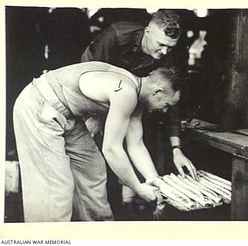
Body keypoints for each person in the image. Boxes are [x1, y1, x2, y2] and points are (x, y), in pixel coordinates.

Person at [13, 61, 182, 222]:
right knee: (55, 187)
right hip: (40, 106)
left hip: (68, 115)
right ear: (157, 91)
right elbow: (111, 149)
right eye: (166, 104)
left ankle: (97, 232)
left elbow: (136, 145)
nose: (165, 110)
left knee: (93, 168)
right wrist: (138, 188)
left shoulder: (137, 94)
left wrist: (155, 181)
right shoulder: (126, 92)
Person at [81, 10, 198, 206]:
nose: (164, 52)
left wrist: (176, 148)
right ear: (147, 32)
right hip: (95, 98)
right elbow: (85, 75)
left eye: (170, 47)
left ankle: (129, 202)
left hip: (132, 100)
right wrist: (95, 115)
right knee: (100, 160)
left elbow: (169, 99)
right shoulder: (115, 37)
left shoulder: (165, 54)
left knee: (134, 143)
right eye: (161, 45)